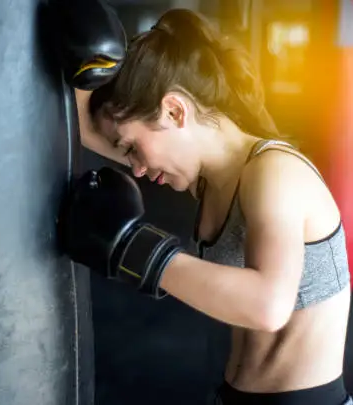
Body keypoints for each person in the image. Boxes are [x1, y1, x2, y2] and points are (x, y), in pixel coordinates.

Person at [54, 3, 352, 405]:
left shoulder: (275, 172)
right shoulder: (210, 181)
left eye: (132, 149)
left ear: (175, 110)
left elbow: (268, 306)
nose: (136, 169)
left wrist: (138, 252)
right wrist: (78, 55)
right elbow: (87, 128)